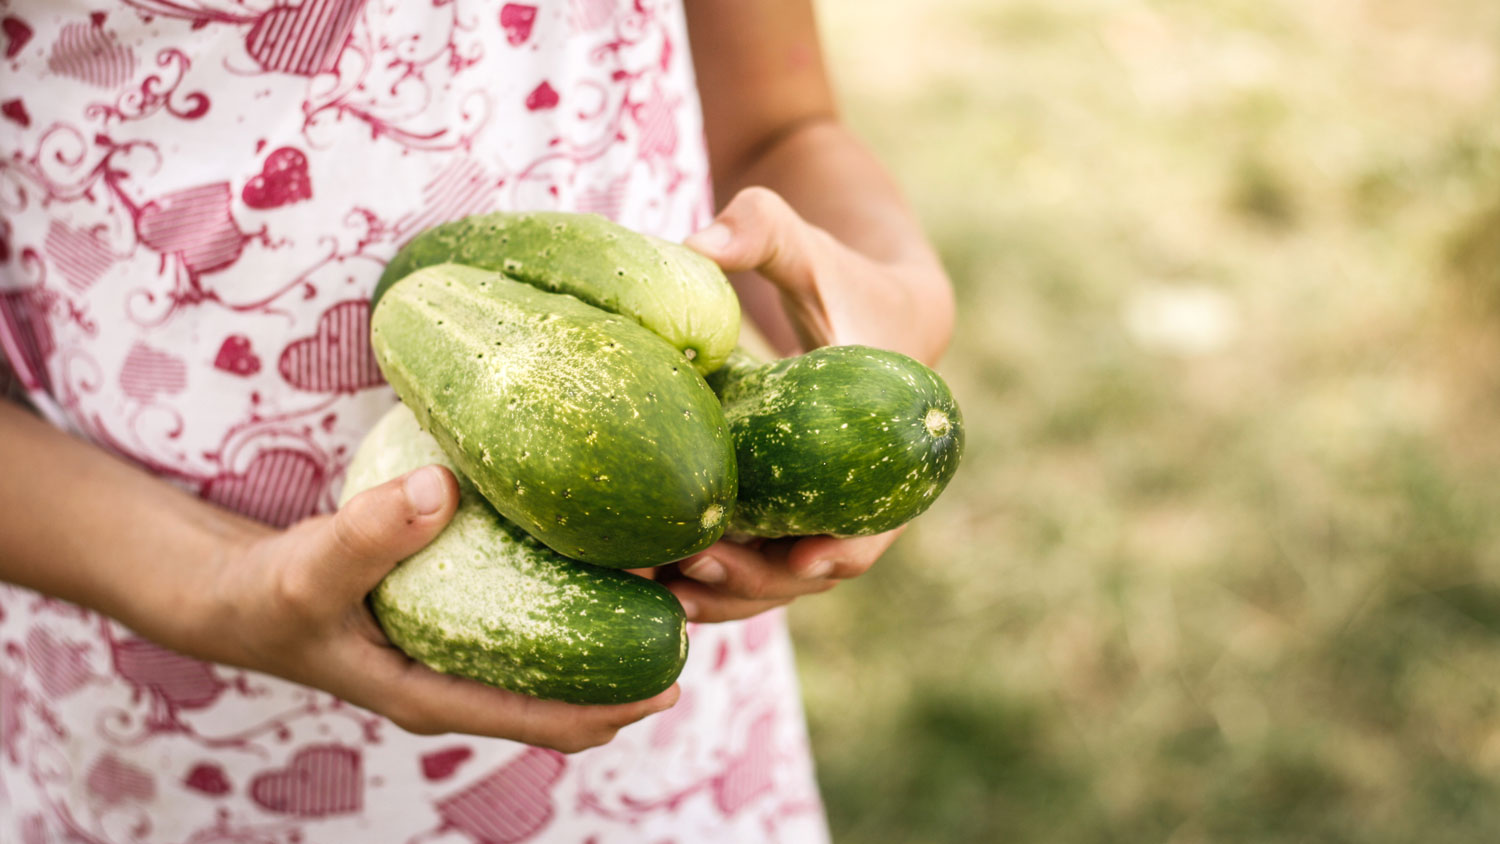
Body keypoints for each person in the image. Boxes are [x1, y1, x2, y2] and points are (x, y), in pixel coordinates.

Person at [0, 0, 954, 839]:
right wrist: (218, 585)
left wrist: (894, 305)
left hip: (666, 691)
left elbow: (780, 126)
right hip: (172, 692)